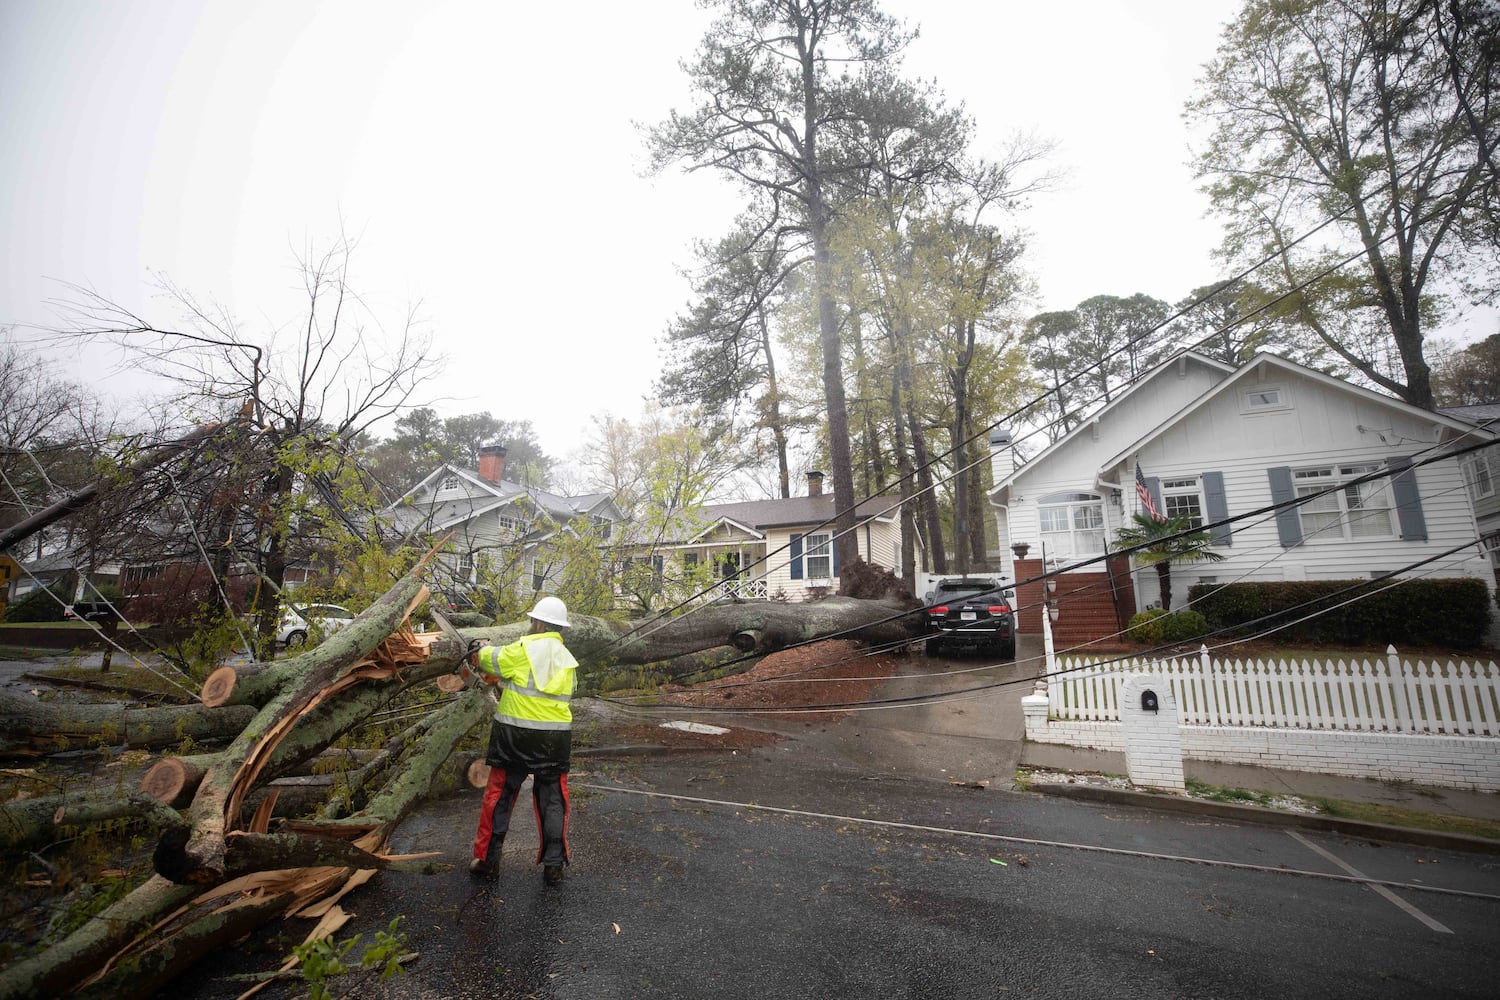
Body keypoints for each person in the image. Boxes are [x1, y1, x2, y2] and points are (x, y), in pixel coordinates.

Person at [462, 595, 578, 885]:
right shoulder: (567, 659)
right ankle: (554, 865)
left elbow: (488, 658)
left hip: (514, 735)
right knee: (553, 801)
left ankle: (488, 861)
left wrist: (480, 647)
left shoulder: (523, 648)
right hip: (555, 740)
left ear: (537, 622)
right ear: (559, 628)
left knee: (499, 795)